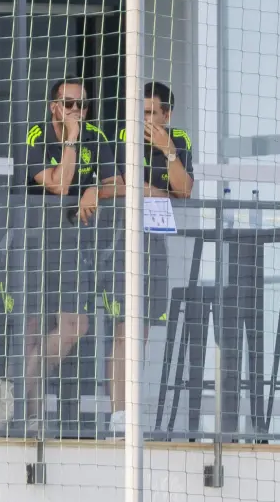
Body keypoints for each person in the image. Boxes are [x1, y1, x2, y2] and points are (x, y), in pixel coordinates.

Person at [22, 78, 123, 430]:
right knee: (31, 327)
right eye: (68, 104)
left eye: (81, 105)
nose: (76, 111)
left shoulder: (97, 137)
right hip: (29, 243)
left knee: (75, 326)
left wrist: (96, 188)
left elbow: (120, 184)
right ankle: (30, 414)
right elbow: (60, 184)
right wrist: (70, 140)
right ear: (54, 107)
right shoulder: (35, 135)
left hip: (72, 246)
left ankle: (21, 383)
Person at [106, 81, 193, 435]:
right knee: (124, 329)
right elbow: (108, 187)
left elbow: (184, 189)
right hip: (114, 243)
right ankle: (119, 415)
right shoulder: (119, 139)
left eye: (150, 113)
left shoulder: (179, 141)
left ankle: (129, 412)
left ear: (166, 115)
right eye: (139, 113)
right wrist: (149, 190)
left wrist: (168, 152)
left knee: (141, 330)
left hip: (154, 245)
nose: (143, 120)